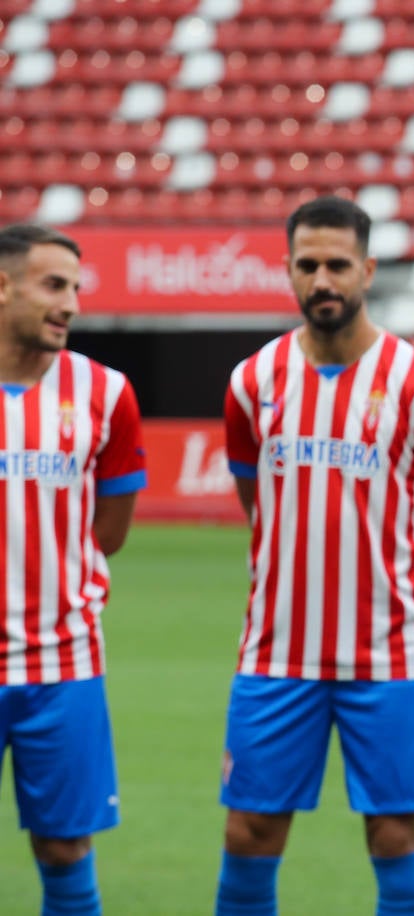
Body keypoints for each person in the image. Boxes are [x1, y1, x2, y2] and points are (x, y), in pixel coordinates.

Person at [215, 196, 414, 916]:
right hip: (275, 653)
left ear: (368, 268)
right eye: (308, 265)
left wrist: (378, 567)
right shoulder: (252, 383)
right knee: (250, 828)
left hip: (388, 654)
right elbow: (257, 503)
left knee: (396, 834)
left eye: (337, 264)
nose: (322, 279)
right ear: (290, 271)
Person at [0, 223, 147, 916]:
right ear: (4, 285)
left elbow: (109, 531)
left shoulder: (106, 393)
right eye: (54, 286)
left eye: (75, 288)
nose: (72, 305)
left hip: (64, 665)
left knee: (65, 850)